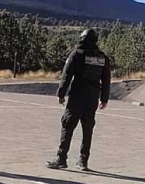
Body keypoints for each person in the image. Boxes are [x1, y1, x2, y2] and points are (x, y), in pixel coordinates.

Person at [46, 28, 111, 171]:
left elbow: (67, 74)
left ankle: (61, 158)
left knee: (67, 126)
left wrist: (61, 93)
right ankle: (83, 161)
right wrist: (104, 99)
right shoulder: (102, 57)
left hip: (77, 97)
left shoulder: (76, 54)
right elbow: (106, 80)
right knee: (87, 130)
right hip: (92, 98)